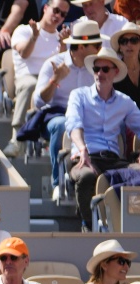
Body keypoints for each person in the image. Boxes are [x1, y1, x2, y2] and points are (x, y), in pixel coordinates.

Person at [67, 45, 140, 231]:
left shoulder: (125, 102)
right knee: (86, 176)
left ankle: (130, 226)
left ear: (115, 72)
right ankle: (88, 226)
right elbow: (73, 124)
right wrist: (82, 149)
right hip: (85, 156)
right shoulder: (79, 95)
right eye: (96, 69)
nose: (100, 73)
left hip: (113, 160)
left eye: (105, 69)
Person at [35, 20, 101, 203]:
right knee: (63, 125)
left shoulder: (98, 67)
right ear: (80, 47)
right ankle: (58, 183)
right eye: (96, 45)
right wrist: (55, 80)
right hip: (57, 116)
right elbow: (38, 102)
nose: (100, 48)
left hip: (88, 118)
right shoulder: (54, 64)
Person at [3, 0, 71, 157]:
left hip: (49, 80)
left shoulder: (60, 37)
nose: (58, 16)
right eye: (56, 10)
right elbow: (24, 53)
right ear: (45, 8)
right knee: (32, 86)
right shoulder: (24, 30)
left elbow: (61, 65)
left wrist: (63, 44)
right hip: (27, 78)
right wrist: (34, 36)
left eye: (63, 14)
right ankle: (17, 140)